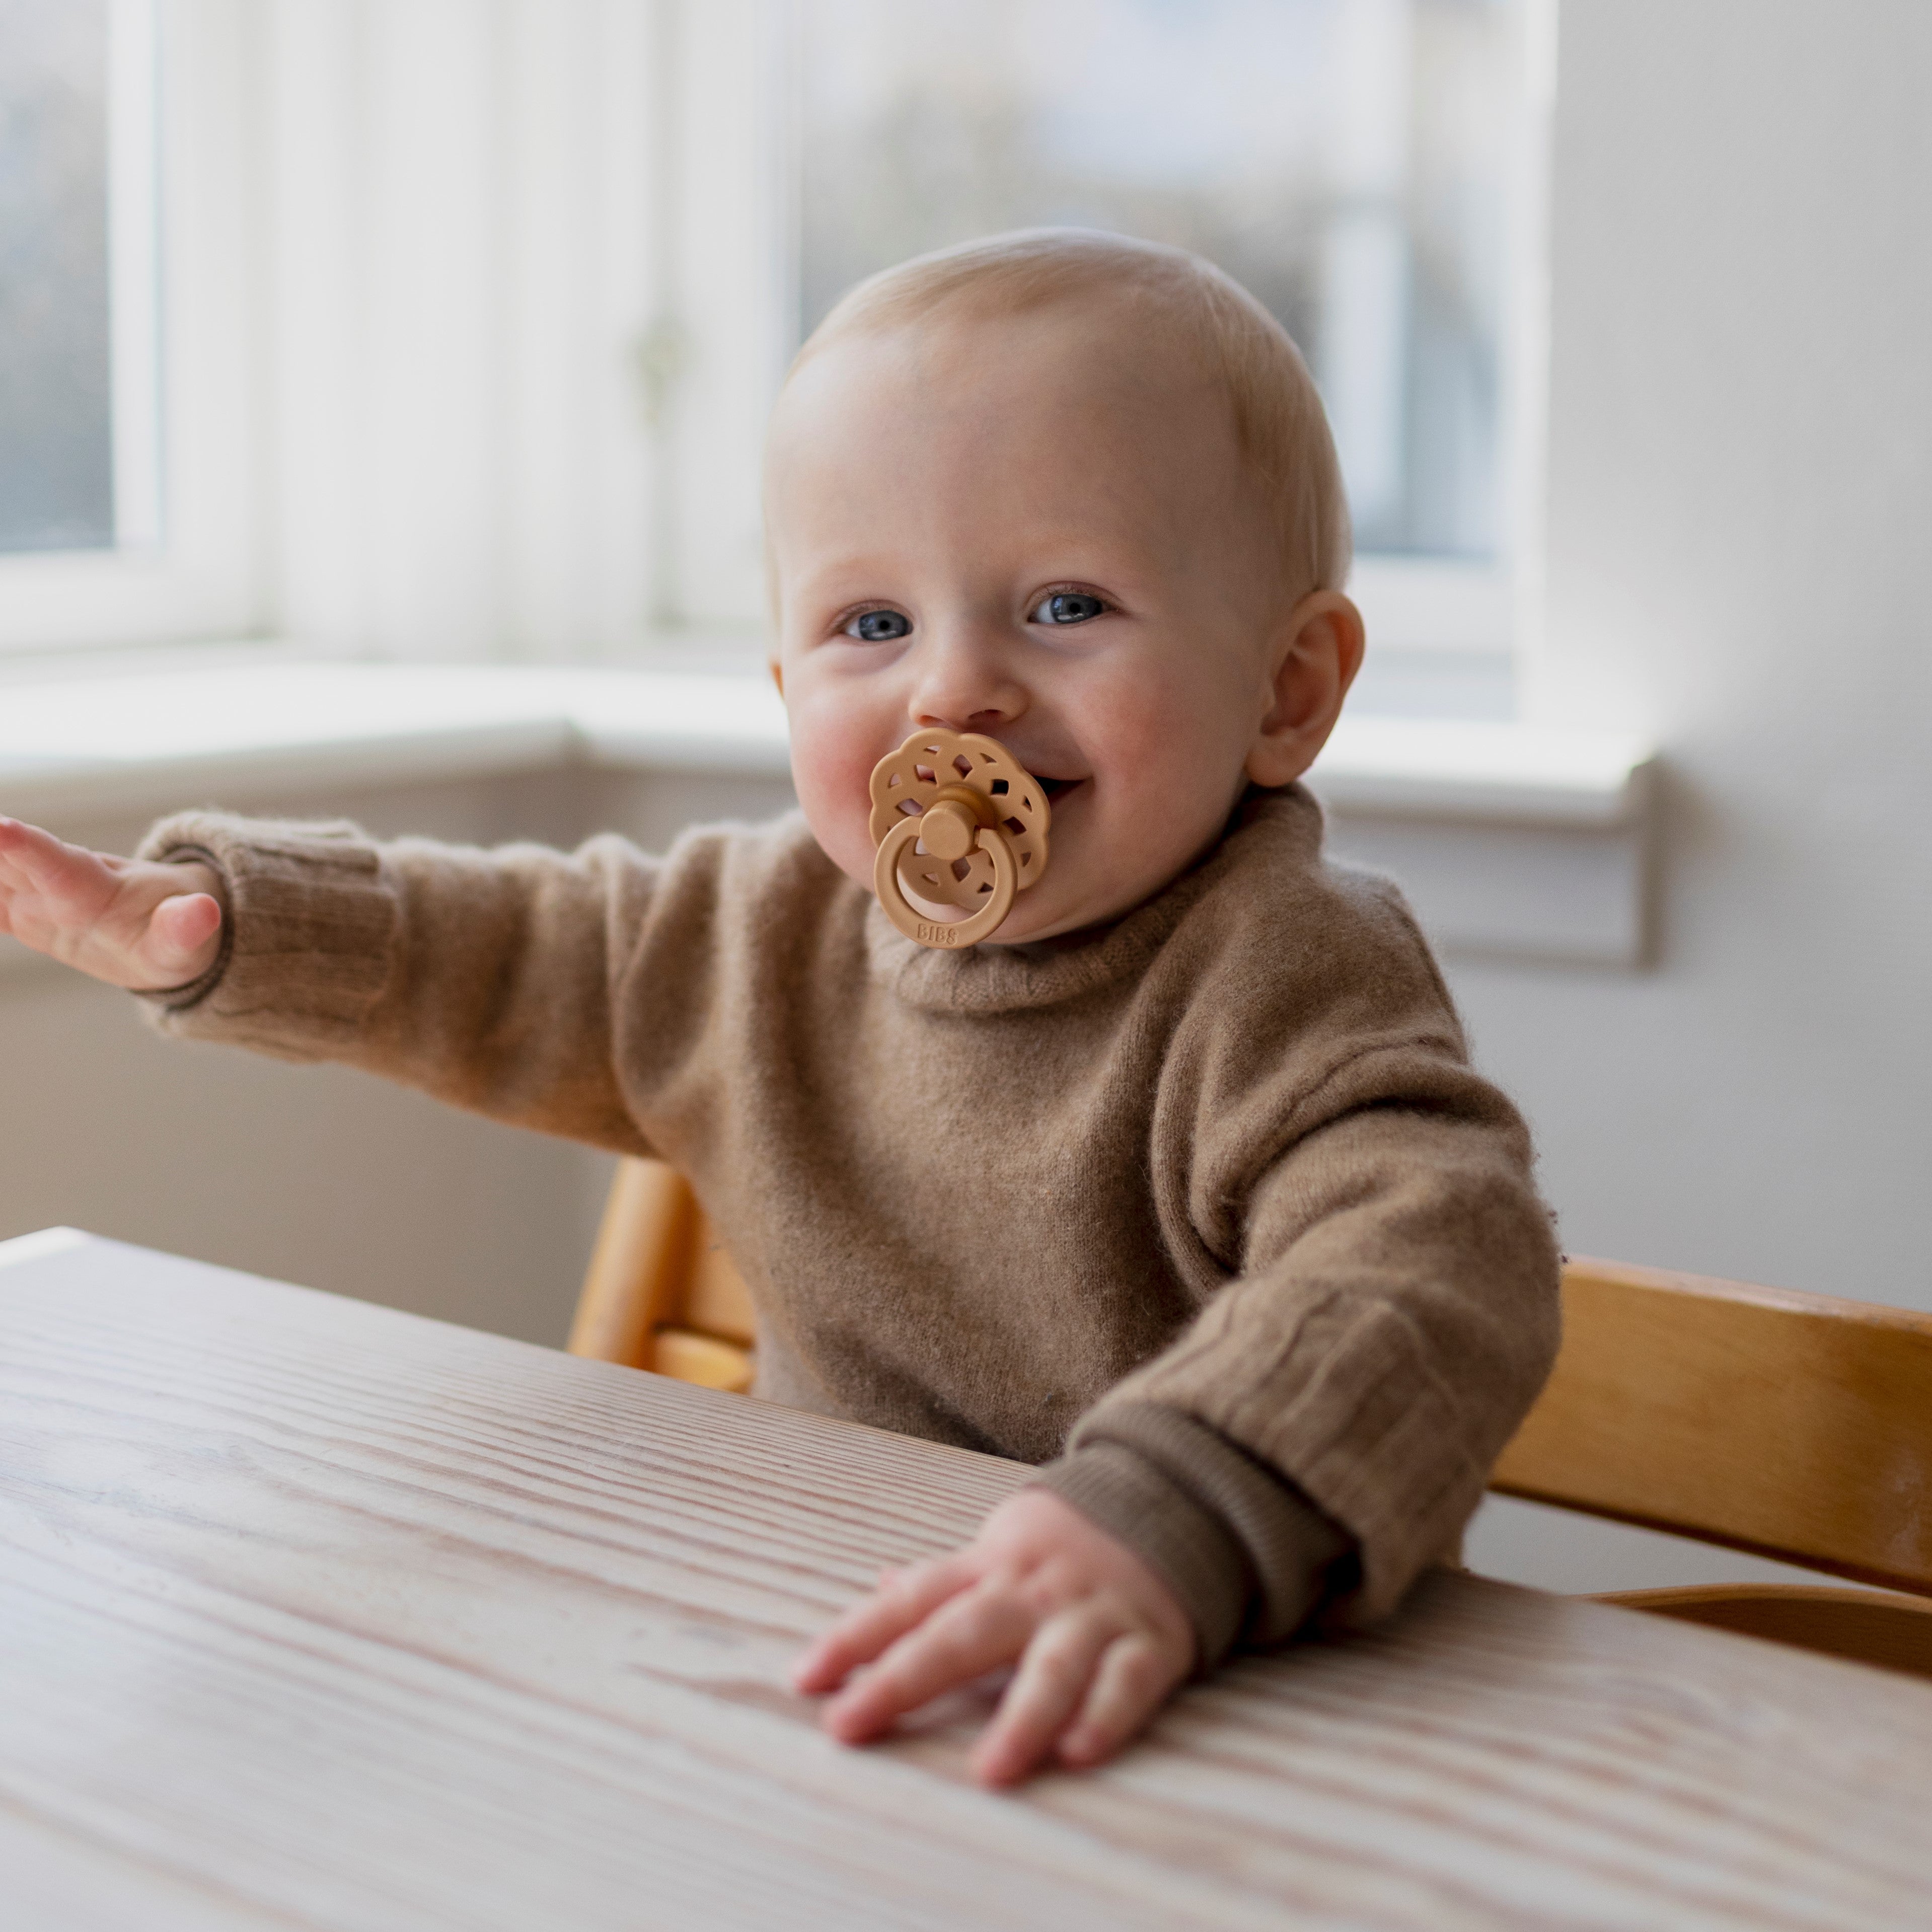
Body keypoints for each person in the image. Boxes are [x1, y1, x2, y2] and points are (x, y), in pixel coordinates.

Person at [0, 230, 1559, 1788]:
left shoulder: (1279, 969)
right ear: (788, 693)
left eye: (1067, 604)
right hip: (820, 1645)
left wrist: (1180, 1516)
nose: (953, 696)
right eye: (872, 627)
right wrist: (221, 924)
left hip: (1197, 1693)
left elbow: (1439, 1250)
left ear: (1287, 689)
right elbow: (509, 953)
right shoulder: (763, 931)